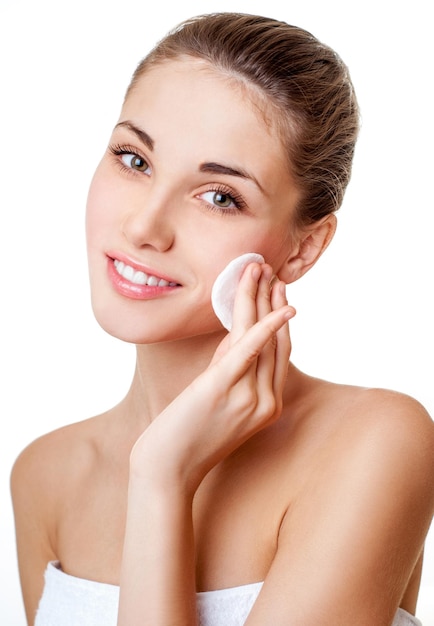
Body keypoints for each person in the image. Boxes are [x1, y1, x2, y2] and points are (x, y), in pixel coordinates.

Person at [10, 11, 434, 626]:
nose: (143, 227)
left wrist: (162, 480)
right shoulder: (44, 475)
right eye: (134, 160)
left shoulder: (373, 443)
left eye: (219, 197)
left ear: (304, 247)